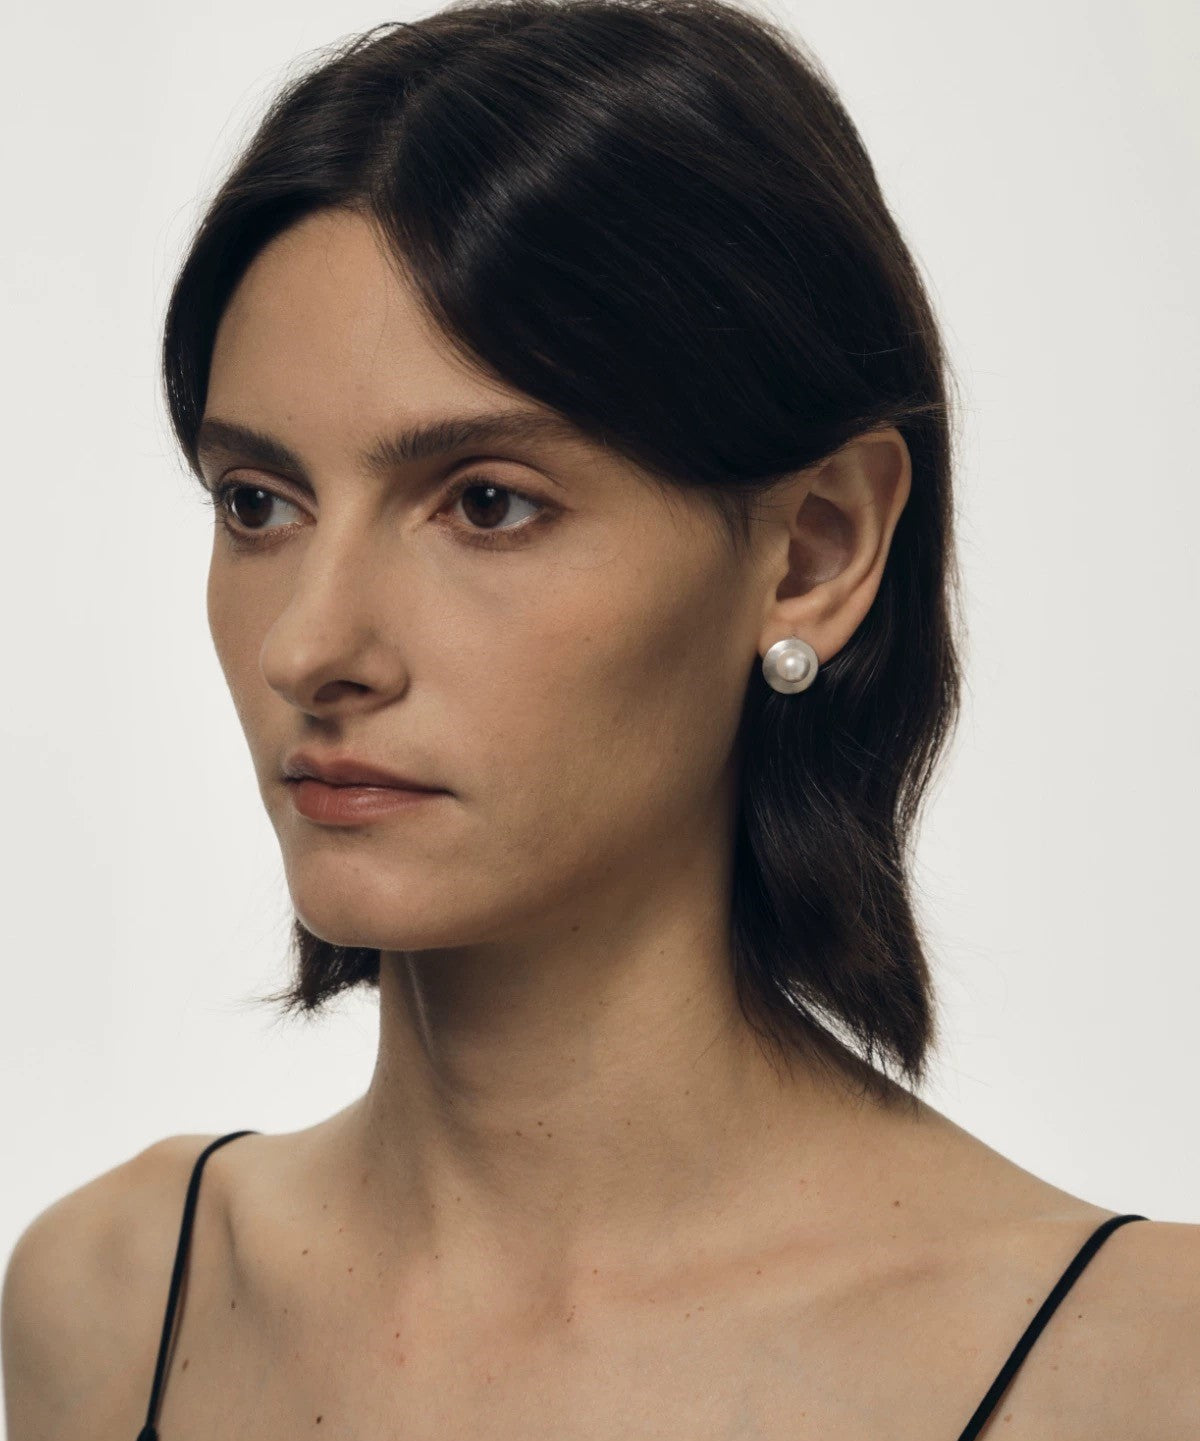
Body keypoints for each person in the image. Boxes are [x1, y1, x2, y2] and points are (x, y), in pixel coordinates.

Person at [3, 1, 1197, 1436]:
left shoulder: (1133, 1370)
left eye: (487, 503)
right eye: (259, 503)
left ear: (814, 549)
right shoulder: (118, 1300)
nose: (312, 645)